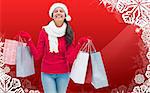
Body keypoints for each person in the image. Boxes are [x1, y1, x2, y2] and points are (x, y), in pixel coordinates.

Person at [20, 2, 90, 93]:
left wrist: (79, 43)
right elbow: (37, 56)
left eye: (61, 11)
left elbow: (70, 59)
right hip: (47, 73)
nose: (58, 12)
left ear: (65, 16)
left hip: (63, 73)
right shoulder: (44, 31)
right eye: (56, 11)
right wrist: (29, 40)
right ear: (52, 16)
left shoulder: (69, 33)